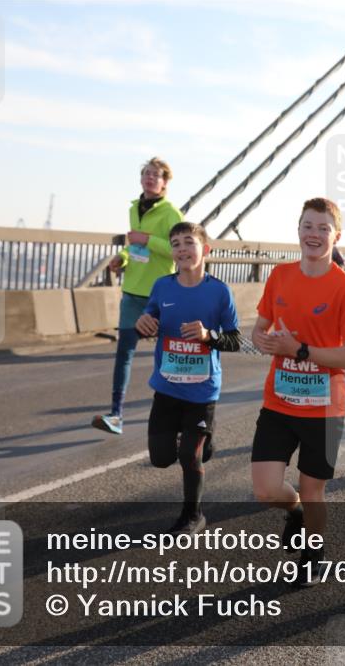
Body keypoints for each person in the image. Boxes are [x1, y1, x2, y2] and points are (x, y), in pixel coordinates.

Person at [250, 197, 345, 587]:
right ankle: (293, 511)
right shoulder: (280, 276)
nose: (313, 234)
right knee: (266, 490)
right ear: (297, 229)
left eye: (322, 228)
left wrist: (299, 350)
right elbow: (259, 327)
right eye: (307, 226)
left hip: (325, 408)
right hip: (279, 402)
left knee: (314, 489)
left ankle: (314, 553)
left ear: (336, 236)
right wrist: (264, 341)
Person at [134, 222, 241, 535]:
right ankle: (203, 441)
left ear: (205, 249)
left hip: (202, 393)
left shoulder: (219, 291)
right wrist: (144, 324)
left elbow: (234, 340)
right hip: (166, 388)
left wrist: (209, 335)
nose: (182, 249)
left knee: (189, 456)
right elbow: (148, 321)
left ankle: (193, 516)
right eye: (176, 243)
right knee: (161, 458)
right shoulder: (162, 286)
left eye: (189, 242)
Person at [92, 158, 183, 435]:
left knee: (166, 356)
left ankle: (174, 414)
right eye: (146, 173)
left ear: (165, 182)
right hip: (132, 292)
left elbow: (177, 250)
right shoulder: (135, 208)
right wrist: (122, 259)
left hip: (159, 294)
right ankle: (116, 415)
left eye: (155, 175)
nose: (149, 178)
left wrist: (148, 240)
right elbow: (135, 249)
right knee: (124, 354)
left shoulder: (171, 214)